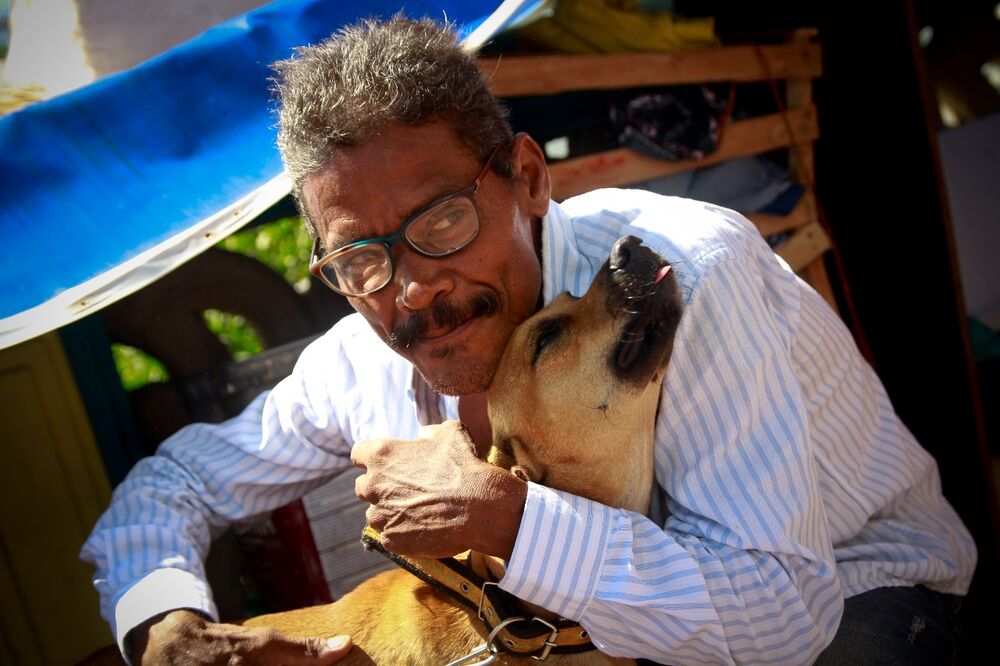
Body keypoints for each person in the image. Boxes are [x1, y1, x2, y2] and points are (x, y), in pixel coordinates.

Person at [81, 15, 977, 665]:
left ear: (527, 177)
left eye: (442, 218)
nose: (413, 286)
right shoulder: (364, 357)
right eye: (359, 257)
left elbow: (786, 619)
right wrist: (169, 629)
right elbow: (176, 482)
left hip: (870, 593)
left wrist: (508, 519)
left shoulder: (670, 283)